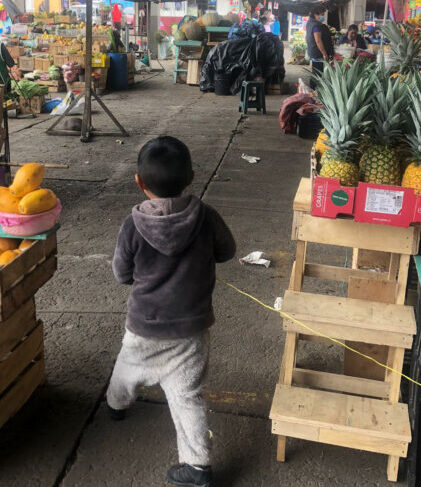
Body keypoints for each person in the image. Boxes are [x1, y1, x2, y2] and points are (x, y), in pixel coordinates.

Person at [106, 136, 236, 487]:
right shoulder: (206, 217)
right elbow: (227, 251)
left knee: (126, 369)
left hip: (145, 325)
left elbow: (121, 273)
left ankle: (116, 406)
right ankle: (196, 466)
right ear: (192, 177)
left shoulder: (132, 225)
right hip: (191, 328)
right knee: (187, 395)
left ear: (138, 181)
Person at [305, 6, 334, 87]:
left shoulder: (310, 22)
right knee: (318, 74)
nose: (323, 16)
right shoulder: (316, 25)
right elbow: (318, 40)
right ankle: (314, 91)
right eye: (322, 14)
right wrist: (324, 53)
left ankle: (313, 90)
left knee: (315, 72)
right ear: (316, 14)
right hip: (318, 53)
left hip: (313, 51)